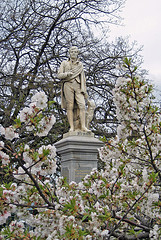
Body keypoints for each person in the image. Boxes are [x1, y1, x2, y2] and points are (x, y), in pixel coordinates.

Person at [58, 46, 90, 132]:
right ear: (69, 52)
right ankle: (71, 127)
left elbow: (83, 78)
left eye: (75, 52)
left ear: (77, 53)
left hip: (78, 86)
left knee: (82, 105)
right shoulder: (65, 63)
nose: (73, 53)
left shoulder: (80, 65)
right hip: (68, 85)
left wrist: (84, 90)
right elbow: (59, 75)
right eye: (72, 51)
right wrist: (67, 74)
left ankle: (83, 126)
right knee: (70, 106)